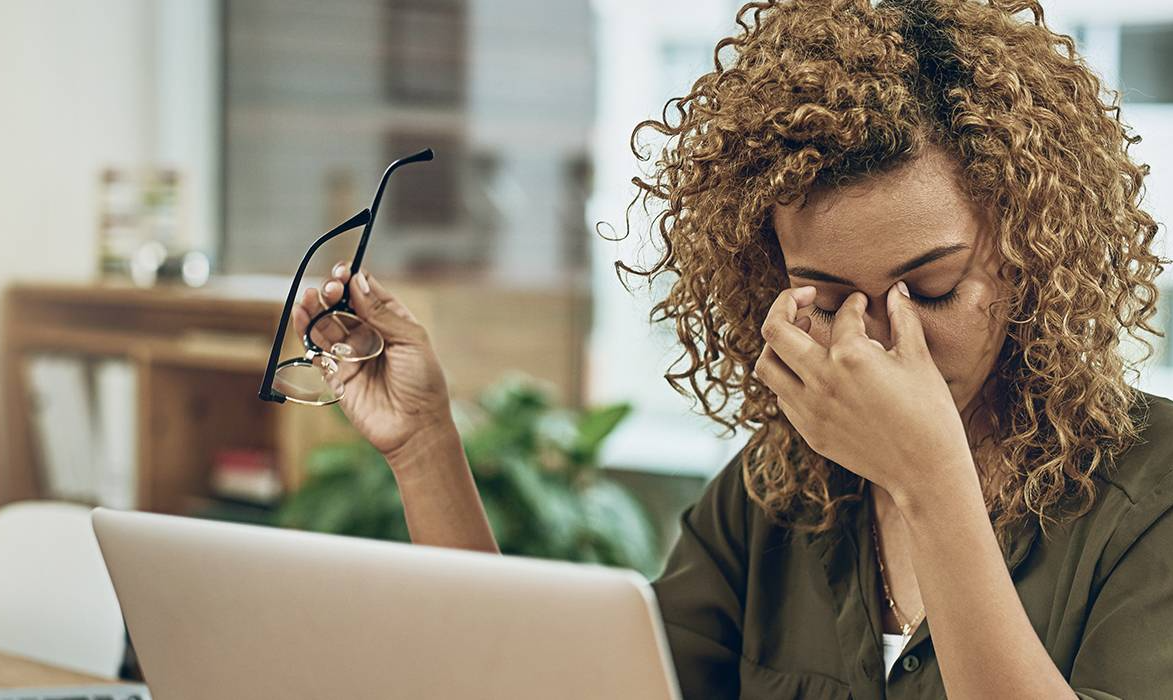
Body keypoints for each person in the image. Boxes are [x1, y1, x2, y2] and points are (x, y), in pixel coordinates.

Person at [292, 0, 1173, 697]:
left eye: (932, 289)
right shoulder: (778, 493)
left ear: (1030, 250)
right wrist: (424, 445)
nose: (868, 345)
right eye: (824, 300)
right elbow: (530, 685)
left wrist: (931, 480)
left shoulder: (1153, 498)